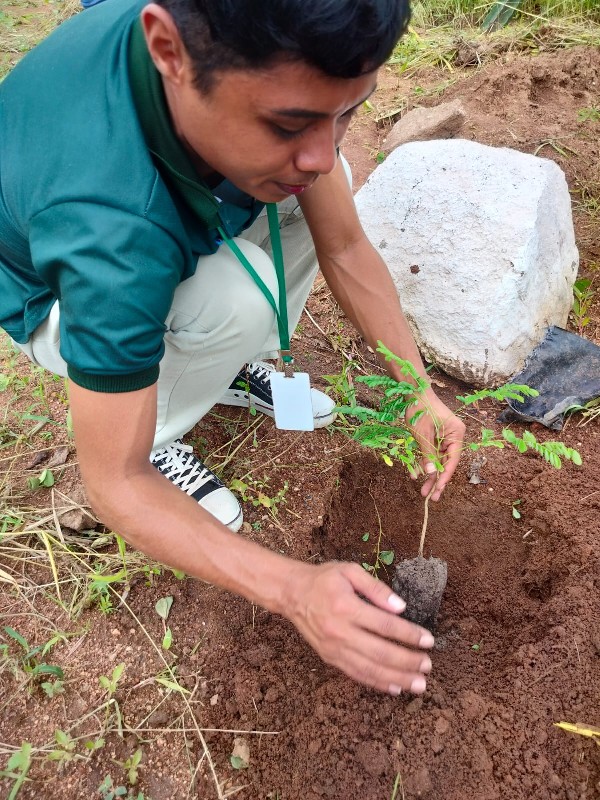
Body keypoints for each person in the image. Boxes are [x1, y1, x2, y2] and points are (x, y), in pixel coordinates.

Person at [0, 0, 466, 696]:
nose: (322, 150)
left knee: (316, 190)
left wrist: (415, 389)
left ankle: (215, 363)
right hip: (49, 291)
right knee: (237, 298)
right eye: (289, 123)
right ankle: (161, 430)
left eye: (348, 112)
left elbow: (344, 245)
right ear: (168, 51)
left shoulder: (219, 42)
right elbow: (115, 481)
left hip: (152, 208)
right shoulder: (108, 229)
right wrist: (294, 589)